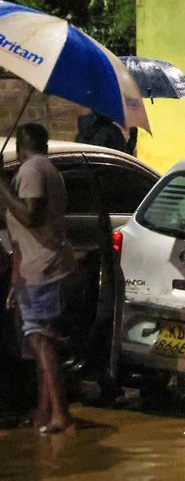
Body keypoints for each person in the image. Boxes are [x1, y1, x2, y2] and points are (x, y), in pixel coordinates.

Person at [0, 123, 76, 434]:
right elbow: (20, 235)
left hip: (44, 270)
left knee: (42, 342)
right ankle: (46, 412)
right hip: (35, 270)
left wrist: (1, 185)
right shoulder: (45, 169)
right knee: (39, 340)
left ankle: (61, 414)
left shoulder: (33, 169)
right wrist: (16, 279)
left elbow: (31, 216)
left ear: (21, 146)